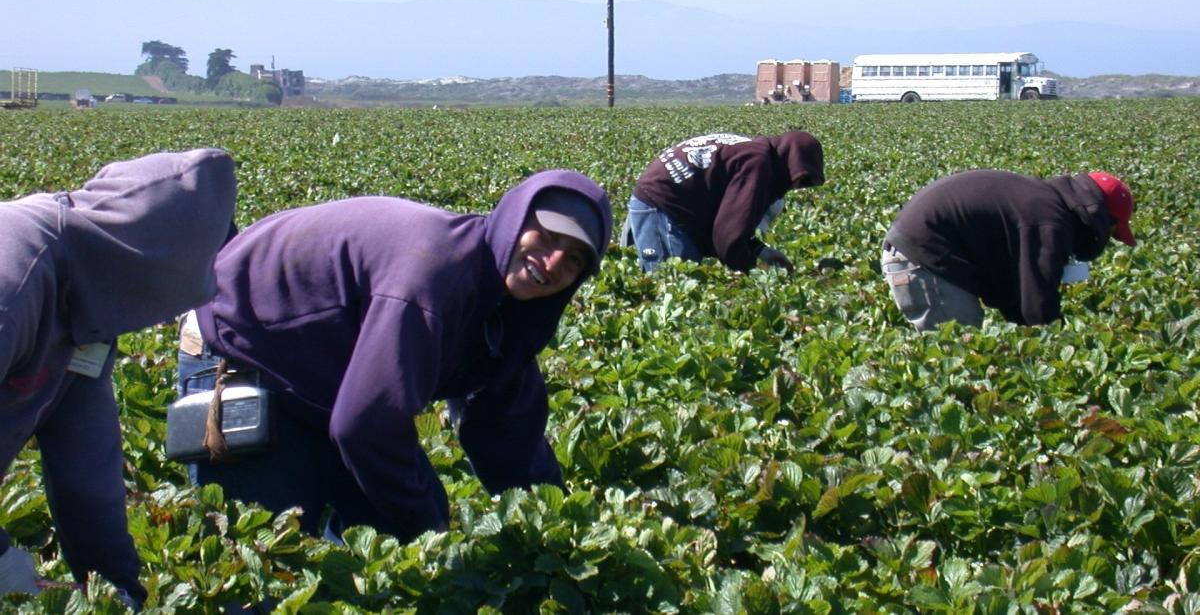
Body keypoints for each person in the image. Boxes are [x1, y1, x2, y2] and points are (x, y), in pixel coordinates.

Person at [176, 169, 612, 543]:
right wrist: (429, 529)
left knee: (398, 520)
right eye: (547, 236)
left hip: (331, 373)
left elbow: (507, 430)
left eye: (575, 259)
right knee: (271, 546)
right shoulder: (434, 275)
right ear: (513, 220)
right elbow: (365, 426)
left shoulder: (508, 314)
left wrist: (557, 526)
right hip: (243, 342)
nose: (553, 261)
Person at [0, 149, 238, 604]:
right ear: (153, 262)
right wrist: (5, 567)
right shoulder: (14, 277)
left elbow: (85, 467)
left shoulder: (89, 297)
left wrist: (118, 592)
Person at [880, 170, 1136, 330]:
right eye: (1112, 232)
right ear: (1100, 218)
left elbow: (1014, 286)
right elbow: (1038, 296)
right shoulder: (1049, 219)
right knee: (958, 352)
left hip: (926, 253)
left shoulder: (1046, 201)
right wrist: (1053, 344)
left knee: (963, 348)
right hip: (924, 258)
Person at [623, 130, 825, 273]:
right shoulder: (758, 164)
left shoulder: (752, 150)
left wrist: (759, 250)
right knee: (673, 283)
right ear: (790, 163)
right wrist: (754, 270)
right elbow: (728, 234)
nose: (792, 188)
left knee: (683, 277)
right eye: (798, 180)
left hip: (663, 203)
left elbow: (725, 218)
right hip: (661, 206)